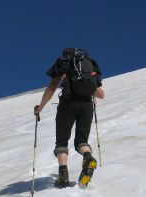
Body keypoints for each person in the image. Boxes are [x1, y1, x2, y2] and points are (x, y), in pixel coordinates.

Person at [34, 48, 105, 188]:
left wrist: (40, 107)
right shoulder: (90, 64)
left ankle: (63, 176)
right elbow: (101, 94)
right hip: (87, 105)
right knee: (81, 141)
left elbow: (52, 86)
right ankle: (88, 157)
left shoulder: (63, 62)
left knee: (61, 142)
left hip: (67, 104)